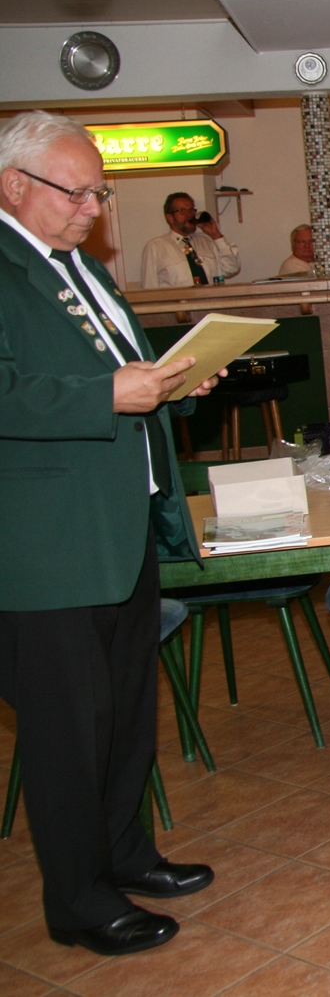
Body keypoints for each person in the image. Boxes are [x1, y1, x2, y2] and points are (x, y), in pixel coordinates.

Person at [0, 112, 226, 956]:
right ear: (14, 184)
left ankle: (125, 851)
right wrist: (106, 396)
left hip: (118, 526)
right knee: (68, 729)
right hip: (47, 545)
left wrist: (175, 382)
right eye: (78, 192)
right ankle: (78, 899)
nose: (93, 208)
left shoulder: (80, 268)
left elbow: (124, 372)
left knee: (127, 710)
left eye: (98, 192)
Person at [138, 191, 240, 288]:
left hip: (210, 299)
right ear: (170, 217)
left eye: (191, 209)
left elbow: (231, 268)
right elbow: (149, 287)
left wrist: (216, 236)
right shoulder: (155, 247)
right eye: (182, 211)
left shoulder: (207, 241)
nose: (189, 214)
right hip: (179, 301)